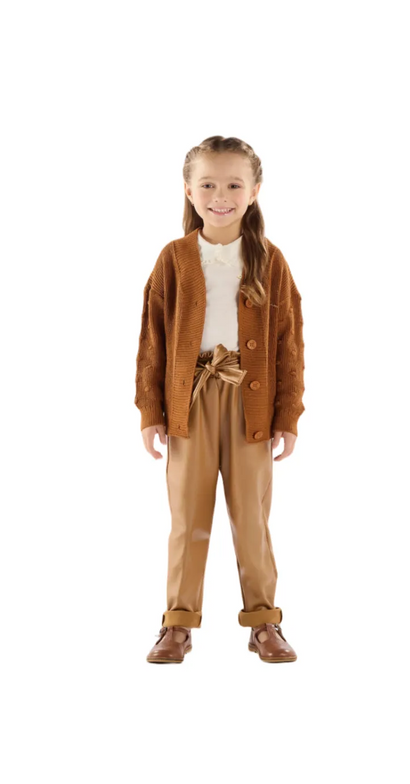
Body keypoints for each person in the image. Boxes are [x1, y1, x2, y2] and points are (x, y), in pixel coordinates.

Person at [134, 136, 305, 664]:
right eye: (207, 184)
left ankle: (263, 621)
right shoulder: (175, 258)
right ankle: (178, 624)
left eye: (233, 184)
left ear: (254, 191)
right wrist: (151, 411)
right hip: (189, 402)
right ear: (189, 190)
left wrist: (287, 414)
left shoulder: (269, 260)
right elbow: (152, 340)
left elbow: (289, 342)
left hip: (251, 402)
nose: (220, 196)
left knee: (251, 516)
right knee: (188, 517)